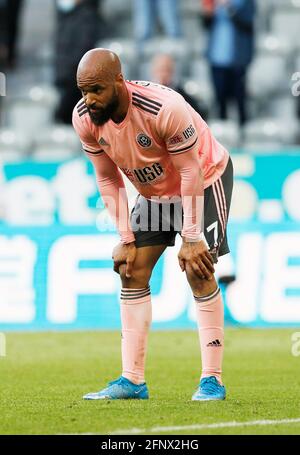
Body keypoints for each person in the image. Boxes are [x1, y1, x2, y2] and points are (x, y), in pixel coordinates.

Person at [72, 48, 233, 401]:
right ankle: (132, 380)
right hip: (155, 191)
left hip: (204, 179)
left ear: (118, 80)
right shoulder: (84, 118)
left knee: (198, 267)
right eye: (83, 91)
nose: (89, 100)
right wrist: (125, 238)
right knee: (131, 269)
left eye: (96, 90)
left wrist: (191, 236)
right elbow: (107, 179)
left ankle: (212, 380)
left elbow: (191, 170)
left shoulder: (163, 108)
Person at [202, 0, 256, 126]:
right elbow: (206, 25)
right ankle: (222, 135)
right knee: (220, 100)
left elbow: (248, 23)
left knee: (240, 101)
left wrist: (229, 7)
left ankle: (244, 133)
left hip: (238, 59)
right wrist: (207, 14)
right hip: (216, 58)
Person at [54, 0, 100, 124]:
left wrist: (70, 71)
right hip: (65, 76)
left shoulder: (87, 17)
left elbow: (83, 49)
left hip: (75, 80)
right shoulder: (65, 17)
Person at [152, 53, 209, 120]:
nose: (164, 74)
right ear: (154, 71)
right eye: (161, 69)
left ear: (173, 71)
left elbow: (200, 114)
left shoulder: (182, 94)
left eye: (168, 70)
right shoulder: (145, 93)